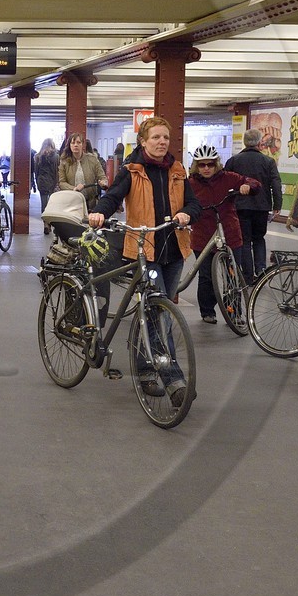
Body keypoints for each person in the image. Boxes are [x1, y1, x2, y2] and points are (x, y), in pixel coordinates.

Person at [89, 117, 200, 399]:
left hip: (174, 250)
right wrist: (100, 212)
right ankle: (174, 380)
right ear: (143, 141)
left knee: (155, 311)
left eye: (165, 137)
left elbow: (193, 203)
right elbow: (112, 197)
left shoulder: (177, 169)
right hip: (145, 251)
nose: (162, 142)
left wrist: (188, 213)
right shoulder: (131, 169)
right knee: (159, 314)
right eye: (156, 138)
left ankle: (145, 370)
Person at [185, 145, 260, 323]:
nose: (206, 168)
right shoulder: (190, 184)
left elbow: (255, 183)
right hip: (202, 236)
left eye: (210, 164)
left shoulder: (229, 178)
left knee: (232, 275)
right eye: (202, 165)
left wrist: (247, 186)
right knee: (206, 276)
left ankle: (234, 313)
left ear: (216, 164)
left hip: (230, 234)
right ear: (196, 165)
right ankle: (207, 311)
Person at [225, 128, 285, 280]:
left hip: (240, 206)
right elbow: (276, 184)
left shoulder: (233, 161)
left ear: (245, 143)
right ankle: (261, 271)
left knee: (244, 240)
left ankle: (247, 275)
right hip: (261, 206)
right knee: (259, 238)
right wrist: (277, 204)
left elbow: (225, 184)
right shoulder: (268, 161)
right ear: (259, 143)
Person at [58, 133, 106, 210]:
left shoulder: (92, 159)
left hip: (90, 203)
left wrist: (103, 182)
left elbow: (102, 177)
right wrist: (73, 188)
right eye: (73, 143)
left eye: (78, 142)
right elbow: (62, 182)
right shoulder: (64, 162)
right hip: (71, 202)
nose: (75, 145)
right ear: (69, 145)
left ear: (83, 145)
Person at [33, 138, 60, 235]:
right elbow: (57, 171)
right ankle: (52, 223)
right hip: (53, 182)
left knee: (44, 204)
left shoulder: (37, 157)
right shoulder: (56, 156)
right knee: (53, 204)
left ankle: (45, 224)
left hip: (42, 182)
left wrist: (36, 182)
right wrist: (57, 183)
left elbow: (36, 172)